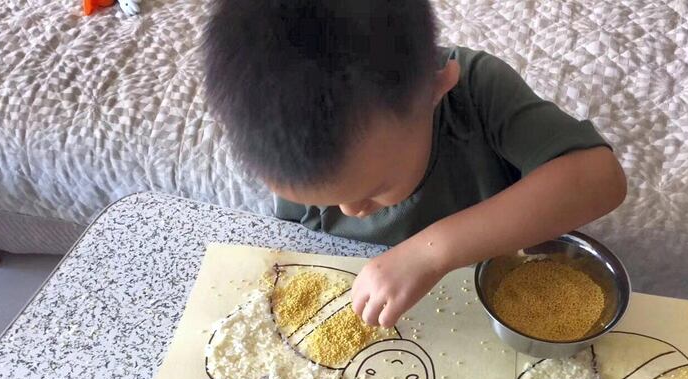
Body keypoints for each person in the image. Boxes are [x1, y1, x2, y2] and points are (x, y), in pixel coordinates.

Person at [204, 0, 626, 329]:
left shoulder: (476, 91)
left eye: (373, 190)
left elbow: (600, 179)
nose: (351, 212)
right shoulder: (280, 134)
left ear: (437, 88)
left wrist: (431, 254)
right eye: (326, 201)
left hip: (497, 278)